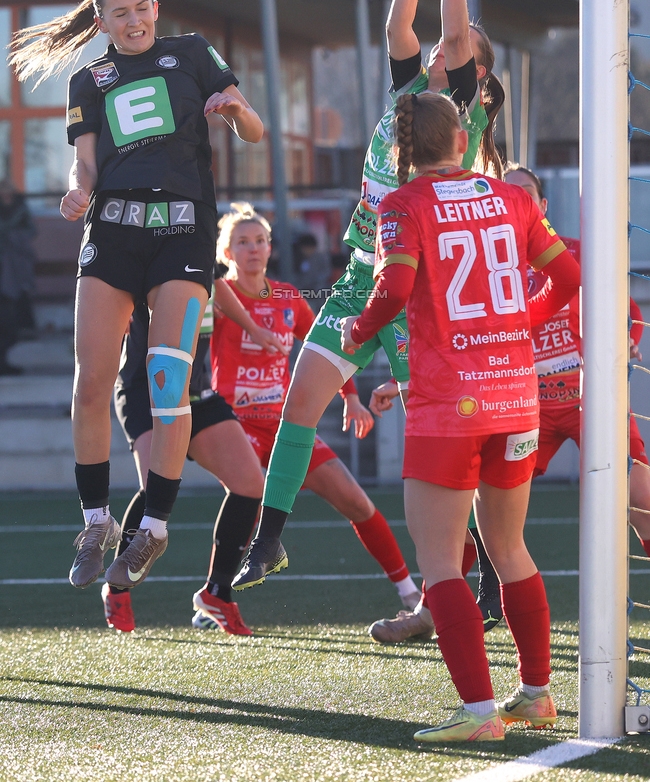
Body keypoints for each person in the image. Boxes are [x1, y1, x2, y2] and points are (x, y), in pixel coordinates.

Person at [233, 0, 506, 590]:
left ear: (473, 64)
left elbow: (445, 32)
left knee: (439, 442)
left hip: (418, 293)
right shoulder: (411, 91)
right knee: (302, 401)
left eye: (460, 44)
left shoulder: (462, 106)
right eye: (446, 44)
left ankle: (490, 573)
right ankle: (268, 540)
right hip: (362, 277)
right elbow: (398, 30)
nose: (444, 49)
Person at [10, 0, 264, 591]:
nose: (134, 20)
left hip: (183, 233)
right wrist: (75, 193)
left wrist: (234, 107)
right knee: (91, 378)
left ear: (157, 7)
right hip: (114, 232)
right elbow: (84, 167)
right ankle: (96, 518)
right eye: (119, 13)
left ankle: (153, 526)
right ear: (102, 23)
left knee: (167, 377)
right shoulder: (88, 79)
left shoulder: (193, 53)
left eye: (142, 7)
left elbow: (254, 131)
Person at [340, 91, 580, 743]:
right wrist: (522, 323)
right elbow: (569, 274)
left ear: (401, 151)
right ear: (461, 140)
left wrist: (354, 333)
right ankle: (535, 695)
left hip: (450, 402)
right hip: (516, 395)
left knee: (442, 562)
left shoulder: (404, 204)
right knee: (509, 547)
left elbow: (391, 290)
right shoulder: (514, 198)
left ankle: (478, 715)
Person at [211, 203, 421, 609]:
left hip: (283, 424)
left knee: (357, 502)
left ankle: (409, 592)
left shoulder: (290, 297)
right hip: (236, 425)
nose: (253, 249)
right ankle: (214, 598)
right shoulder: (221, 296)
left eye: (260, 241)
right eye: (242, 242)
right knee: (246, 502)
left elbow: (330, 345)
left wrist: (351, 398)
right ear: (225, 252)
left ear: (271, 248)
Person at [106, 279, 286, 634]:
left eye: (259, 241)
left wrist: (252, 327)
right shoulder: (153, 247)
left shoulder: (201, 249)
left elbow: (217, 284)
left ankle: (217, 593)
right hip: (145, 388)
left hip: (196, 392)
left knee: (250, 484)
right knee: (155, 485)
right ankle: (118, 588)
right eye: (245, 242)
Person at [504, 165, 650, 555]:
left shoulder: (578, 253)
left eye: (526, 194)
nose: (517, 201)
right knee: (484, 511)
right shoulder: (491, 266)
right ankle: (440, 604)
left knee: (643, 504)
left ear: (542, 205)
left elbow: (631, 311)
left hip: (590, 400)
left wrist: (628, 341)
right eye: (508, 194)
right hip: (524, 407)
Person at [0, 179, 36, 375]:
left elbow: (31, 232)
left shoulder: (21, 208)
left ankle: (4, 362)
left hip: (14, 273)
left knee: (11, 324)